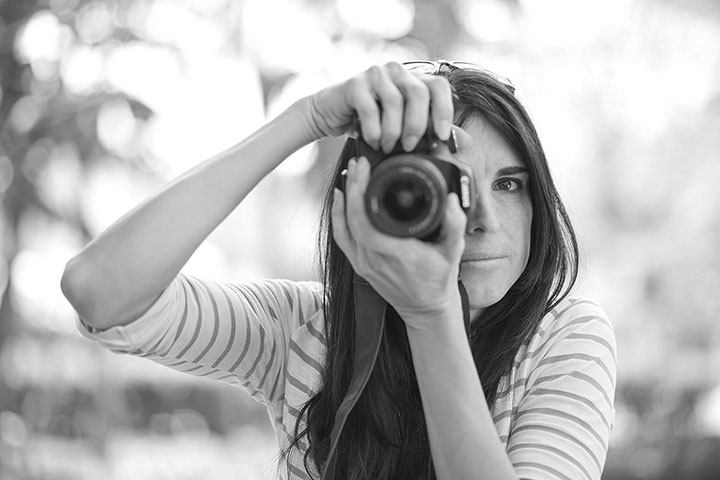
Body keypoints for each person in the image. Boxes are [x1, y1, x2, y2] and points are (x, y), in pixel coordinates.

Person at [61, 60, 617, 480]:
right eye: (449, 187)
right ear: (372, 200)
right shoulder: (306, 329)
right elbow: (99, 290)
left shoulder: (566, 336)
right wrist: (305, 120)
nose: (483, 220)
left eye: (509, 184)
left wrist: (431, 314)